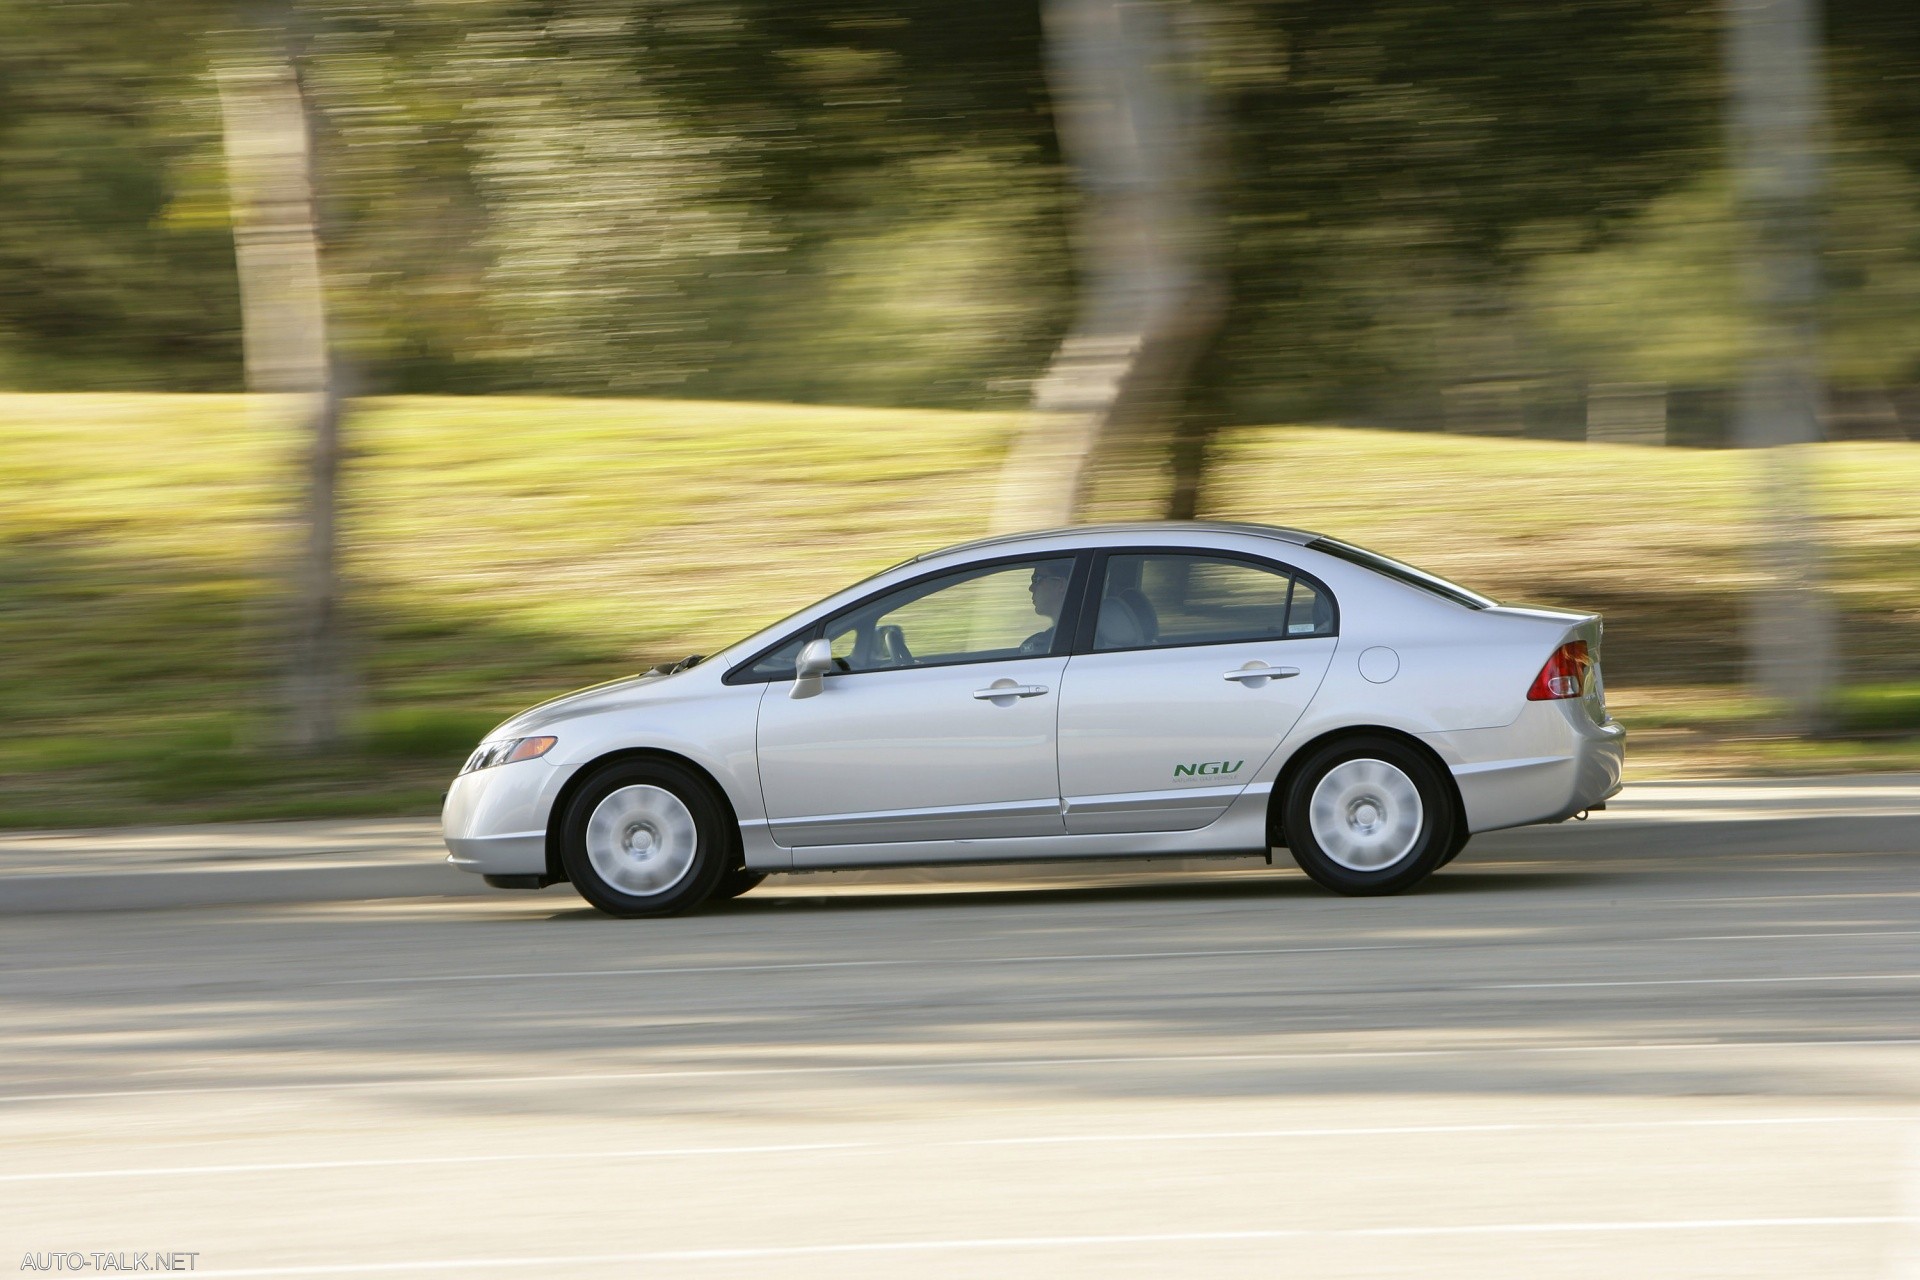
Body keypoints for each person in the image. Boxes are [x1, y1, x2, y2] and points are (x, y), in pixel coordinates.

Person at [1019, 561, 1071, 654]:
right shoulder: (1057, 638)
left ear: (1061, 585)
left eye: (1037, 579)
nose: (1031, 588)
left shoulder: (1066, 640)